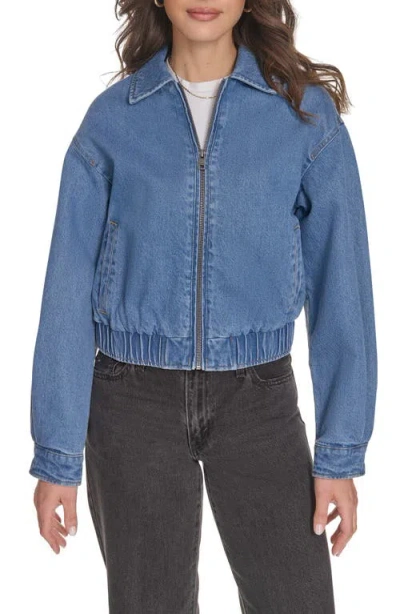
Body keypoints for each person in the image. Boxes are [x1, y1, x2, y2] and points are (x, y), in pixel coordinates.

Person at [29, 1, 377, 612]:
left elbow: (342, 284)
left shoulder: (302, 116)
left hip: (259, 400)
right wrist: (57, 458)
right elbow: (67, 284)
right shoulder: (113, 120)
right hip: (131, 405)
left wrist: (340, 454)